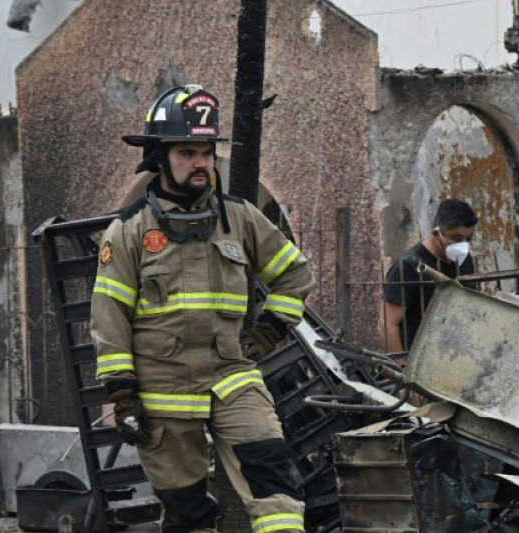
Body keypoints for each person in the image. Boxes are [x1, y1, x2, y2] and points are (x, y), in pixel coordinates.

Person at [90, 84, 313, 533]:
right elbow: (109, 314)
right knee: (188, 514)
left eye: (207, 152)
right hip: (163, 390)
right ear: (159, 157)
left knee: (276, 486)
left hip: (232, 375)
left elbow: (294, 274)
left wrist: (268, 331)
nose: (201, 163)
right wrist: (121, 392)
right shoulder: (130, 231)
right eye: (188, 152)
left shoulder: (241, 218)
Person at [380, 199, 478, 355]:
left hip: (458, 356)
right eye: (457, 238)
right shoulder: (408, 267)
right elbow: (387, 325)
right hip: (419, 360)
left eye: (469, 239)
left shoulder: (465, 261)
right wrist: (401, 369)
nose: (464, 245)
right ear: (436, 233)